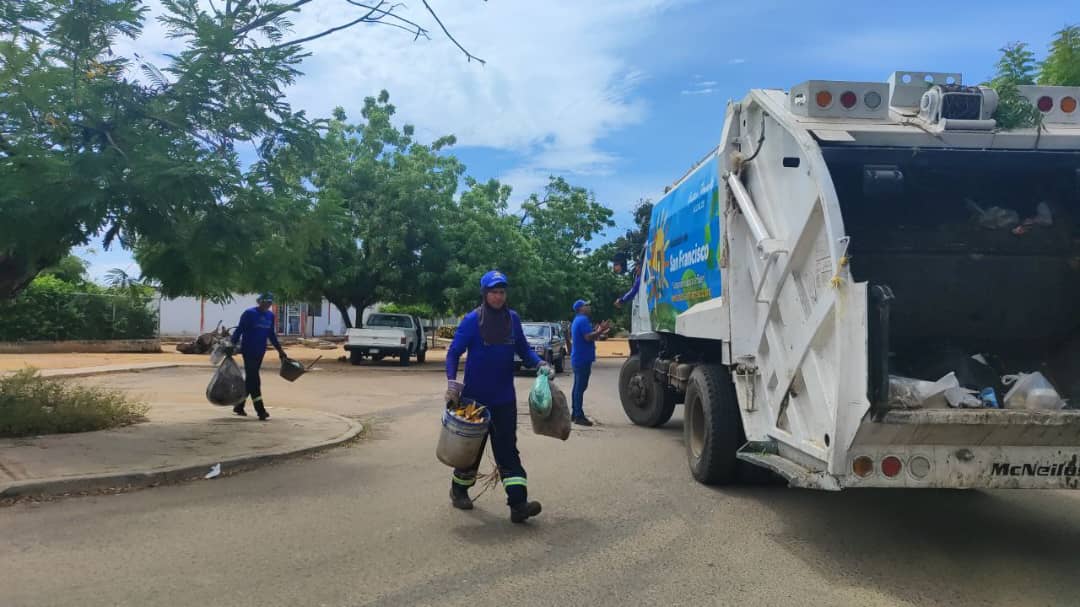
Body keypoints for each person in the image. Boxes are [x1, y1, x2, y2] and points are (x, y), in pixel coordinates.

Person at [445, 270, 551, 523]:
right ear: (484, 294)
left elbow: (524, 350)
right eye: (493, 292)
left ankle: (518, 505)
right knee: (472, 452)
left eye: (502, 292)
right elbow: (453, 353)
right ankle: (458, 490)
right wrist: (451, 381)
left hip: (504, 400)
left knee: (507, 452)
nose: (498, 296)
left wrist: (539, 364)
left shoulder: (512, 320)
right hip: (475, 401)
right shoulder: (472, 320)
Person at [229, 293, 287, 421]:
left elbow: (271, 334)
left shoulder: (270, 316)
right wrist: (231, 345)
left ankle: (239, 405)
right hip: (248, 351)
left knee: (250, 380)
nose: (268, 304)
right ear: (259, 301)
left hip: (260, 352)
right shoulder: (249, 314)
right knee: (255, 380)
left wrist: (280, 350)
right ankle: (260, 411)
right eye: (265, 301)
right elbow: (239, 331)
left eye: (270, 302)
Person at [569, 300, 610, 426]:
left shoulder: (578, 320)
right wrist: (600, 330)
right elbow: (588, 337)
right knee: (580, 387)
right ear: (581, 308)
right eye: (587, 305)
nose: (589, 307)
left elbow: (588, 335)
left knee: (578, 387)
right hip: (582, 359)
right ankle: (578, 416)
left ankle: (575, 413)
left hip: (579, 358)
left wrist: (599, 331)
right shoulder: (582, 320)